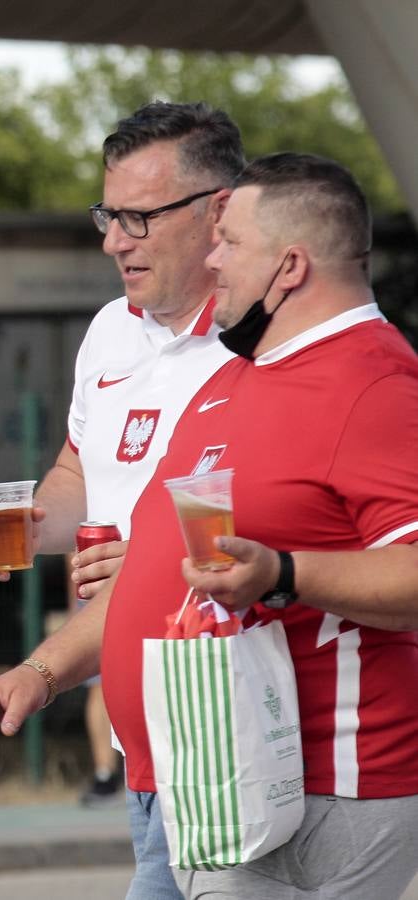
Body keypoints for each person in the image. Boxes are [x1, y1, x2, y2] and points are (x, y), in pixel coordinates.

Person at [0, 100, 241, 898]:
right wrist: (29, 521)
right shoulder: (110, 330)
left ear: (217, 210)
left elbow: (259, 532)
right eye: (106, 214)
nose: (112, 240)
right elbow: (76, 473)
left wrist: (162, 557)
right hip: (139, 741)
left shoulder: (259, 342)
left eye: (137, 218)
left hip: (220, 734)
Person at [128, 152, 417, 898]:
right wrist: (44, 669)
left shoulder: (374, 382)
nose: (211, 259)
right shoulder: (236, 375)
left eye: (230, 242)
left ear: (289, 267)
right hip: (221, 774)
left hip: (326, 789)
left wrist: (283, 573)